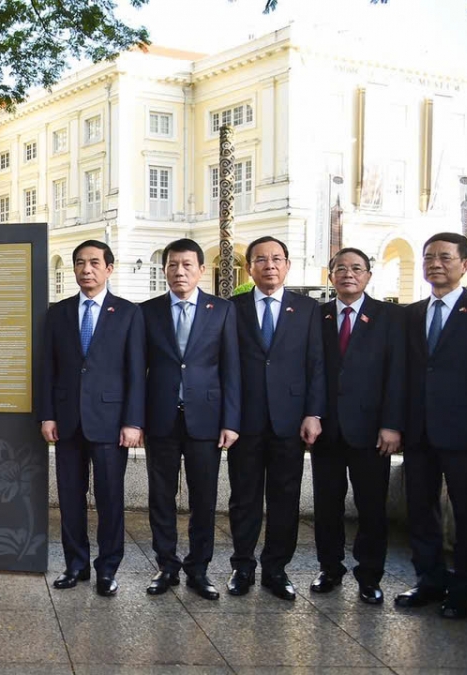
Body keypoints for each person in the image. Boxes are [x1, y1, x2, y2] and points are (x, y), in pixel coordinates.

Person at [396, 233, 467, 620]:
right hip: (418, 432)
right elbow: (402, 375)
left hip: (466, 434)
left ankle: (464, 589)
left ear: (465, 264)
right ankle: (429, 580)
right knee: (420, 510)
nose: (435, 264)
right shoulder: (410, 314)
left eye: (444, 257)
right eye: (428, 258)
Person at [40, 240, 145, 597]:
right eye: (81, 263)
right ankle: (76, 564)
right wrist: (47, 415)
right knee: (70, 497)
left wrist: (133, 422)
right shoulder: (58, 313)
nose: (87, 269)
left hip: (111, 422)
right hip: (67, 421)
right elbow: (47, 369)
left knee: (110, 498)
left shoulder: (129, 313)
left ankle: (108, 568)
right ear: (74, 270)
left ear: (109, 269)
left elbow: (136, 372)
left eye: (95, 263)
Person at [140, 239, 240, 600]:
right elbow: (139, 371)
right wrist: (136, 420)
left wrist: (231, 421)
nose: (179, 272)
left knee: (204, 497)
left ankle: (199, 569)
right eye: (172, 265)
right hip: (161, 418)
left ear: (200, 269)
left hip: (207, 420)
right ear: (164, 270)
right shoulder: (147, 311)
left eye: (186, 265)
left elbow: (231, 369)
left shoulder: (222, 310)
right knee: (161, 497)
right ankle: (166, 565)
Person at [227, 236, 325, 601]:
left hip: (290, 420)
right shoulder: (231, 308)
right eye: (261, 259)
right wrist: (229, 418)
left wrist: (313, 413)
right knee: (244, 497)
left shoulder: (308, 309)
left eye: (277, 259)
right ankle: (242, 566)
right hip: (245, 422)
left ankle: (276, 569)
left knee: (285, 497)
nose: (269, 265)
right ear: (250, 267)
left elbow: (316, 365)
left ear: (287, 265)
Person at [311, 248, 404, 605]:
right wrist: (312, 415)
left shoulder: (388, 317)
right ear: (330, 275)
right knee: (327, 505)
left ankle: (369, 575)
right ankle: (329, 569)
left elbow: (397, 375)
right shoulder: (317, 317)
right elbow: (312, 371)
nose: (348, 274)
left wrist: (392, 424)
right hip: (327, 430)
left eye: (356, 268)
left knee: (371, 506)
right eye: (340, 268)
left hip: (371, 431)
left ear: (368, 274)